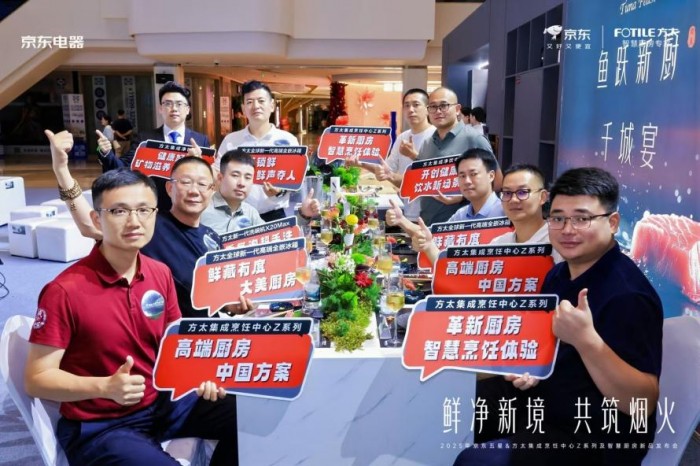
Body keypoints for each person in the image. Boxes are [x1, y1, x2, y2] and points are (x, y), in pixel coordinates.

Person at [24, 168, 239, 465]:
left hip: (162, 403)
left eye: (143, 210)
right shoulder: (64, 290)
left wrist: (201, 373)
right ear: (97, 219)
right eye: (119, 211)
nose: (134, 221)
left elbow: (176, 343)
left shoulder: (159, 273)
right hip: (102, 425)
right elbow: (36, 379)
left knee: (250, 414)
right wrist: (104, 387)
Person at [453, 167, 663, 466]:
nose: (567, 229)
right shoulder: (558, 274)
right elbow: (545, 346)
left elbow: (641, 403)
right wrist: (529, 368)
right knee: (454, 403)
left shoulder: (628, 296)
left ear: (612, 222)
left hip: (593, 433)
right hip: (546, 400)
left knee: (475, 461)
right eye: (558, 218)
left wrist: (587, 341)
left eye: (582, 219)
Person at [46, 129, 249, 318]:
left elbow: (217, 294)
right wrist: (62, 171)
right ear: (169, 188)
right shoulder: (151, 224)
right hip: (157, 330)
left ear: (212, 191)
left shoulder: (212, 238)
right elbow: (89, 225)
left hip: (200, 335)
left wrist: (229, 304)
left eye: (202, 184)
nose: (194, 191)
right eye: (185, 182)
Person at [414, 163, 563, 265]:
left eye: (523, 192)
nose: (513, 200)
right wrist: (429, 246)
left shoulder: (559, 241)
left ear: (543, 197)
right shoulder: (499, 244)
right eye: (507, 193)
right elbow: (462, 278)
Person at [96, 81, 210, 211]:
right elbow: (123, 168)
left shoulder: (201, 141)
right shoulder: (145, 139)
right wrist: (106, 153)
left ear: (187, 109)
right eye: (168, 104)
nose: (174, 108)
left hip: (189, 209)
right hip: (154, 210)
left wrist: (198, 163)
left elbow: (208, 180)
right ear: (160, 108)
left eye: (179, 104)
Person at [215, 80, 298, 222]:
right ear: (243, 108)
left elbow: (297, 179)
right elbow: (218, 174)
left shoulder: (288, 140)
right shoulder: (231, 141)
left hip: (275, 216)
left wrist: (280, 191)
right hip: (238, 215)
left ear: (272, 105)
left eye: (261, 101)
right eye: (249, 102)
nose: (255, 106)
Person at [415, 87, 499, 226]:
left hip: (461, 227)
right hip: (427, 224)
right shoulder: (427, 143)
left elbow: (497, 181)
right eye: (433, 107)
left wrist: (462, 197)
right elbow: (418, 182)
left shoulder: (474, 138)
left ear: (457, 109)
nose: (438, 111)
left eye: (444, 105)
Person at [348, 88, 435, 222]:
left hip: (429, 214)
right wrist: (361, 164)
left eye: (416, 105)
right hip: (405, 211)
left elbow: (431, 178)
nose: (411, 110)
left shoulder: (435, 137)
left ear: (427, 109)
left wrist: (414, 156)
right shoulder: (402, 138)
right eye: (407, 105)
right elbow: (387, 169)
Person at [386, 148, 504, 240]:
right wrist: (401, 220)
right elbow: (432, 236)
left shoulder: (505, 212)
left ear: (491, 176)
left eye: (473, 174)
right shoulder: (461, 215)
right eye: (462, 176)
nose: (467, 181)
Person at [202, 149, 321, 235]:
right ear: (220, 178)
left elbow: (276, 237)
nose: (241, 183)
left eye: (248, 177)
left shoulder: (250, 212)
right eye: (235, 175)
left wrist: (304, 214)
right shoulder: (201, 209)